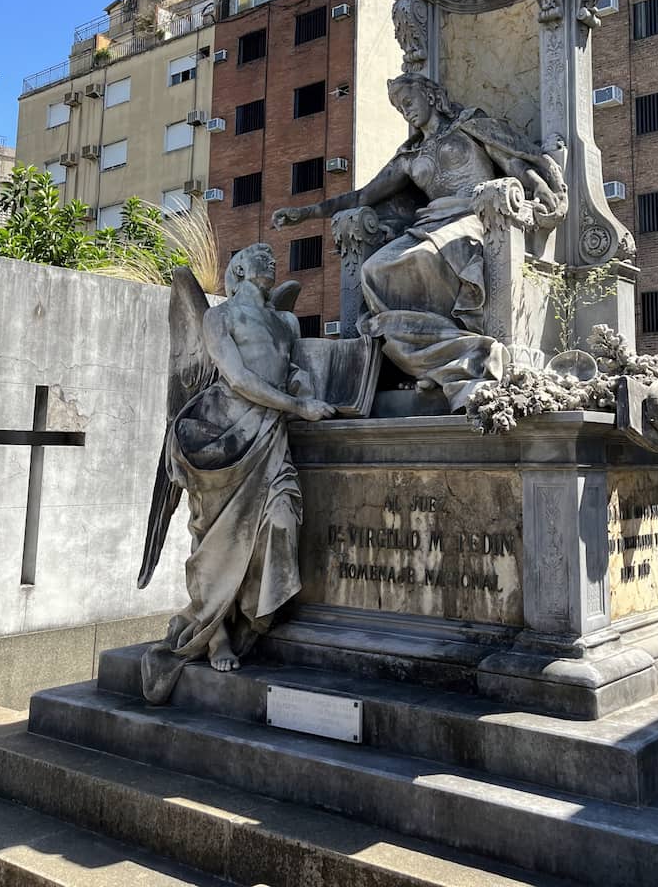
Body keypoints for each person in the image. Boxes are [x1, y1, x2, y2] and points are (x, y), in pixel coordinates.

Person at [272, 73, 566, 412]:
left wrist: (539, 185)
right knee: (374, 270)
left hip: (474, 216)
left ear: (430, 96)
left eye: (408, 102)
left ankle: (454, 357)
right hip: (431, 222)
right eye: (400, 108)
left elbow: (512, 159)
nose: (406, 111)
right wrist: (306, 213)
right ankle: (431, 362)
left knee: (427, 256)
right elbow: (363, 195)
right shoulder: (409, 155)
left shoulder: (468, 125)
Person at [140, 243, 333, 704]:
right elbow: (239, 379)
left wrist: (302, 385)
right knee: (216, 540)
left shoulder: (286, 322)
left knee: (281, 521)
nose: (271, 260)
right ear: (239, 269)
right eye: (259, 255)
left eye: (273, 255)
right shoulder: (218, 318)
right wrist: (298, 405)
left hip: (270, 435)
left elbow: (290, 369)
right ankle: (216, 636)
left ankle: (250, 616)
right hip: (220, 437)